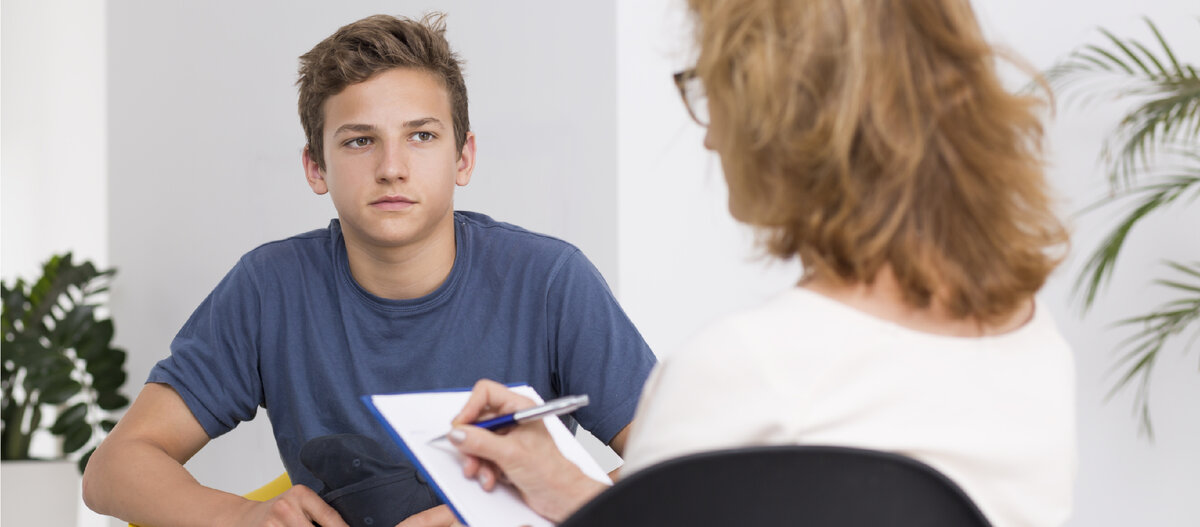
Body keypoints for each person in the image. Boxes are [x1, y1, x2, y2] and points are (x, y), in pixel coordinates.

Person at [402, 0, 1077, 525]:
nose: (711, 133)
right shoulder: (1032, 341)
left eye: (714, 86)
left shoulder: (743, 371)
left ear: (784, 118)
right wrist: (573, 491)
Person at [81, 13, 656, 527]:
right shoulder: (269, 288)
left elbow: (674, 464)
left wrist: (514, 517)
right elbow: (113, 470)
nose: (391, 168)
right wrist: (241, 516)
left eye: (422, 136)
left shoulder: (550, 280)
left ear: (464, 157)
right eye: (359, 142)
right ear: (316, 167)